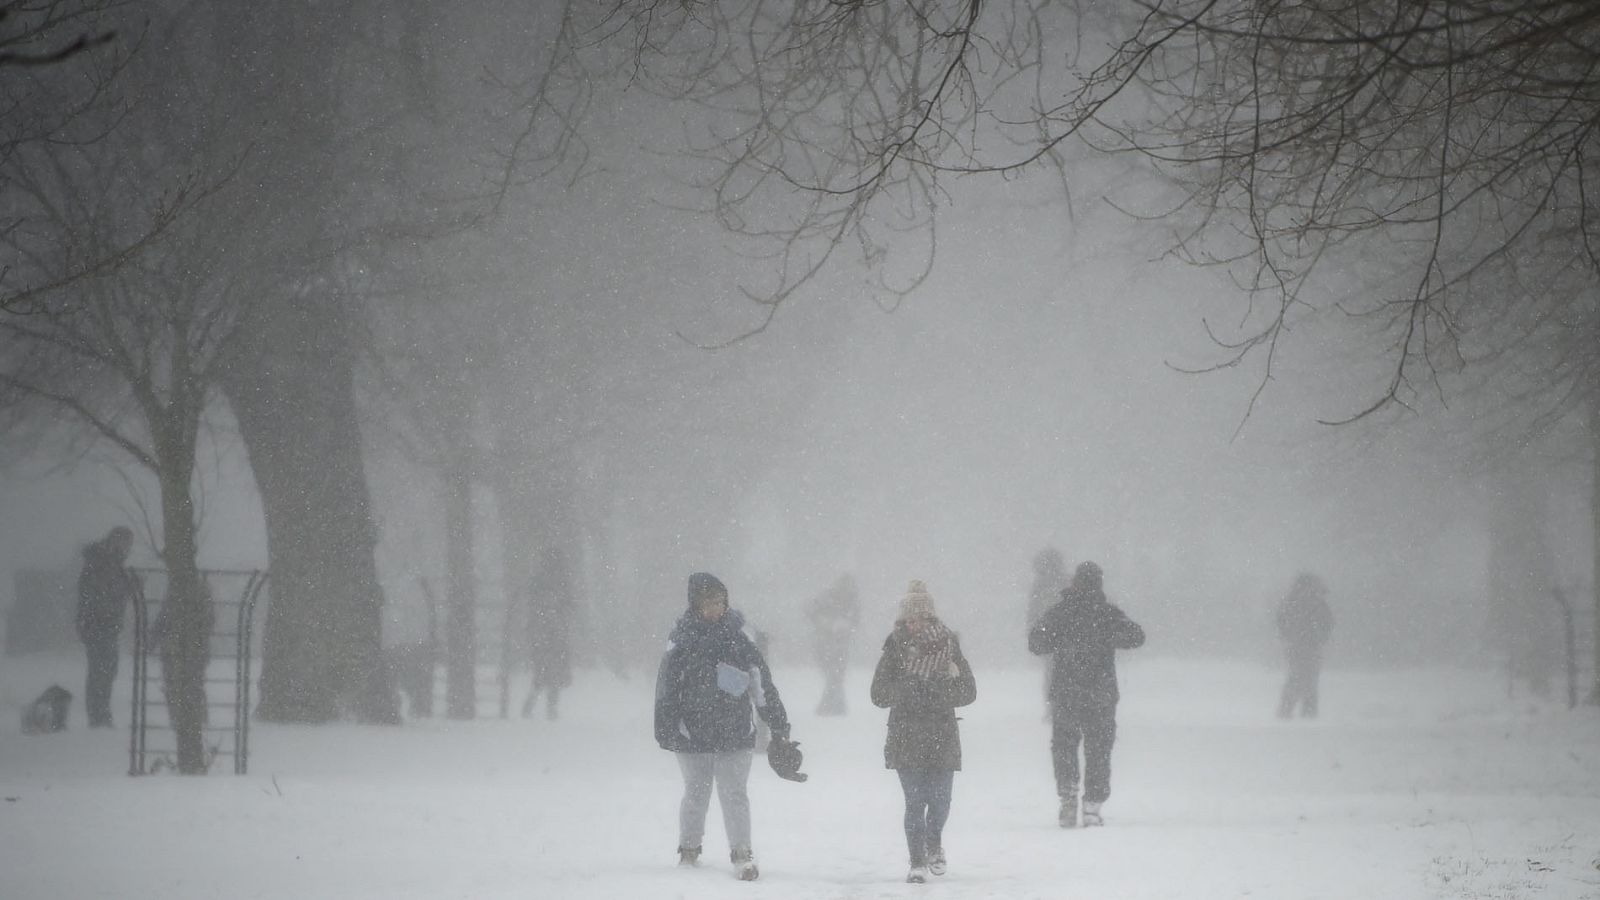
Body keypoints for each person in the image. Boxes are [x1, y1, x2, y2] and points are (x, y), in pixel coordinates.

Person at [655, 572, 800, 881]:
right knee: (696, 793)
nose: (715, 609)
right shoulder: (681, 640)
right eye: (708, 603)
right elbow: (667, 688)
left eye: (720, 602)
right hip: (691, 734)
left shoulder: (739, 638)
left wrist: (778, 726)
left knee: (735, 794)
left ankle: (742, 852)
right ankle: (689, 850)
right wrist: (666, 728)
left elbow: (762, 685)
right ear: (695, 604)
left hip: (735, 731)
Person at [870, 579, 977, 884]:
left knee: (941, 801)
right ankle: (917, 861)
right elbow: (877, 694)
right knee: (915, 803)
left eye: (919, 618)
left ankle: (934, 843)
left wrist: (942, 691)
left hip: (941, 734)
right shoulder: (894, 648)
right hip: (906, 736)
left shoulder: (949, 645)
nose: (913, 624)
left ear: (930, 618)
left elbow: (969, 690)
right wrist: (906, 689)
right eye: (908, 619)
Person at [1028, 560, 1144, 828]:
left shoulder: (1060, 613)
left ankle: (1068, 796)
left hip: (1066, 692)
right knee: (1099, 749)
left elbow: (1036, 642)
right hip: (1100, 693)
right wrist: (1107, 633)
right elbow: (1137, 636)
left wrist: (1061, 641)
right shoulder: (1107, 614)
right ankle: (1093, 804)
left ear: (1074, 583)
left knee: (1065, 746)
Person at [75, 526, 138, 729]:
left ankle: (100, 714)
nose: (128, 549)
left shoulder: (108, 561)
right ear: (116, 541)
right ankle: (99, 716)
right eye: (126, 543)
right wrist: (127, 587)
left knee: (105, 669)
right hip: (99, 623)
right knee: (101, 669)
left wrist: (129, 586)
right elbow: (102, 592)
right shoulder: (103, 561)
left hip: (104, 624)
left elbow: (109, 591)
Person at [522, 557, 578, 721]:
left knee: (543, 674)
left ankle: (535, 706)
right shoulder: (559, 584)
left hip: (546, 636)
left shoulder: (539, 583)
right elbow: (570, 606)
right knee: (551, 674)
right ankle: (548, 708)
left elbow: (533, 606)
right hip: (553, 636)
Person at [1276, 572, 1334, 719]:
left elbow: (1281, 622)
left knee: (1299, 678)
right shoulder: (1316, 602)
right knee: (1307, 679)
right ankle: (1305, 713)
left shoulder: (1291, 602)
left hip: (1299, 646)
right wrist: (1320, 638)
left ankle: (1288, 711)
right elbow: (1328, 623)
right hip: (1308, 646)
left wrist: (1288, 637)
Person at [805, 573, 860, 715]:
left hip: (840, 645)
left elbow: (855, 620)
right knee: (833, 675)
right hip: (825, 644)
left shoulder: (852, 601)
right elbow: (811, 611)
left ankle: (832, 707)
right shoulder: (827, 598)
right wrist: (827, 623)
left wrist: (846, 626)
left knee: (836, 675)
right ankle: (834, 707)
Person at [1027, 548, 1069, 708]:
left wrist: (1033, 628)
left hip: (1050, 632)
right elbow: (1033, 610)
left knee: (1053, 669)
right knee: (1057, 669)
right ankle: (1058, 704)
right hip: (1062, 632)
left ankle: (1055, 704)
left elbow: (1033, 611)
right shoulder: (1063, 582)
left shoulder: (1040, 586)